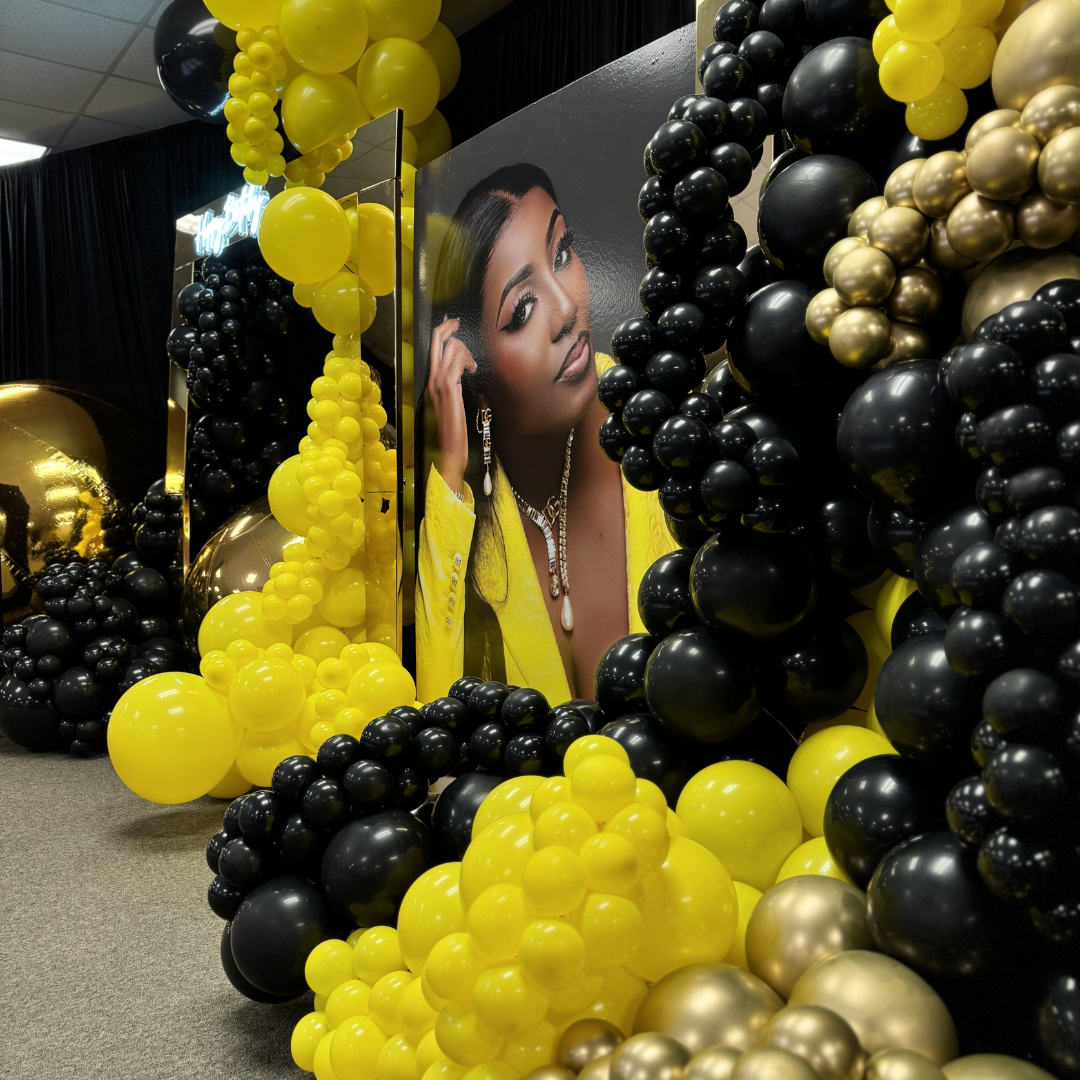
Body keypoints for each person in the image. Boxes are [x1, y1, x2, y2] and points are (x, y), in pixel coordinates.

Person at [416, 163, 674, 704]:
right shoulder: (473, 516)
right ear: (474, 368)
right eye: (523, 309)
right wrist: (452, 475)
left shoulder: (657, 423)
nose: (566, 308)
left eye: (562, 254)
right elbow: (438, 709)